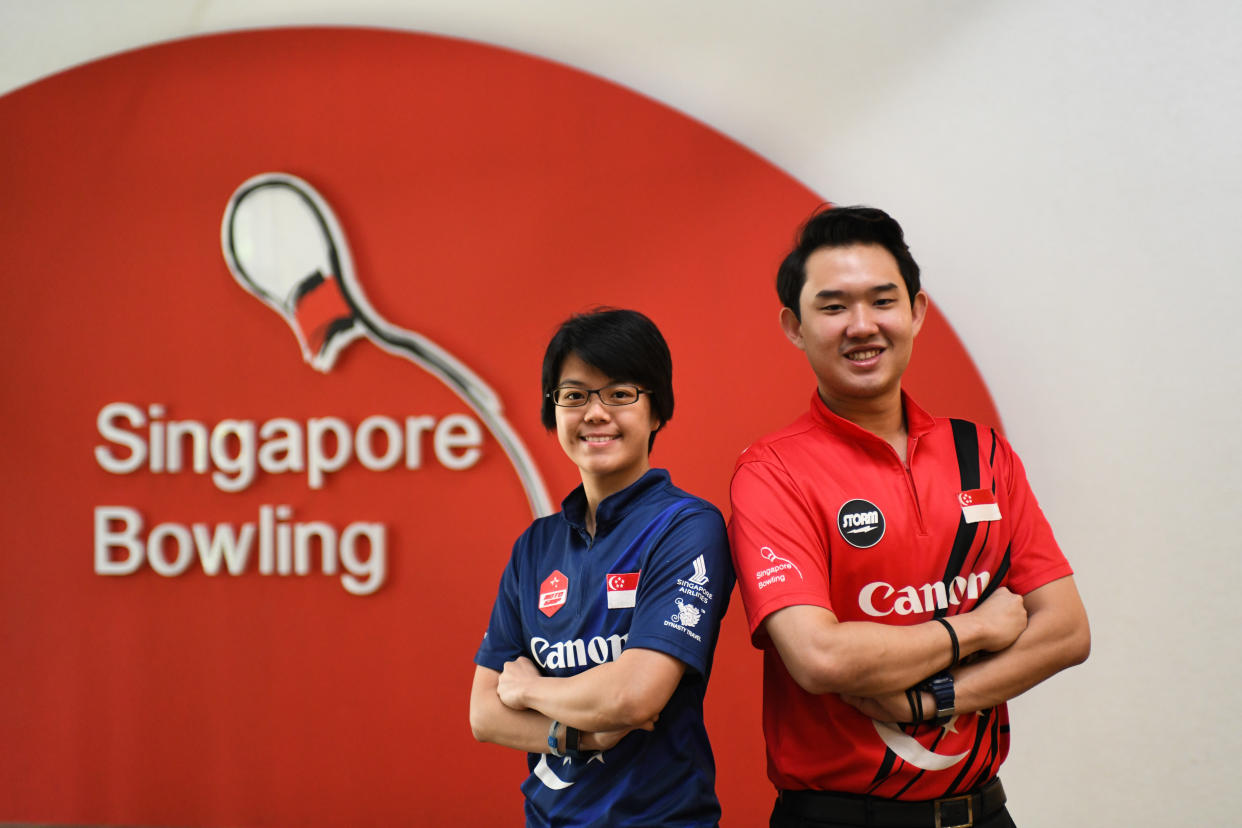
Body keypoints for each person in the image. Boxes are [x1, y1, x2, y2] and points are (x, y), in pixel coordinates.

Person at [728, 206, 1090, 828]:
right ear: (795, 326)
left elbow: (1065, 632)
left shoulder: (982, 454)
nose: (862, 325)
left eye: (882, 301)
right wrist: (974, 629)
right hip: (838, 817)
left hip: (982, 812)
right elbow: (821, 658)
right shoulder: (771, 472)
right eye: (834, 306)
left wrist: (930, 700)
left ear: (917, 311)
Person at [471, 308, 735, 828]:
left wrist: (527, 691)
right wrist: (579, 735)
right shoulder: (535, 545)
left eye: (619, 394)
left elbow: (634, 697)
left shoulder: (687, 526)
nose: (594, 413)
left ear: (657, 411)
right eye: (574, 395)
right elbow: (483, 713)